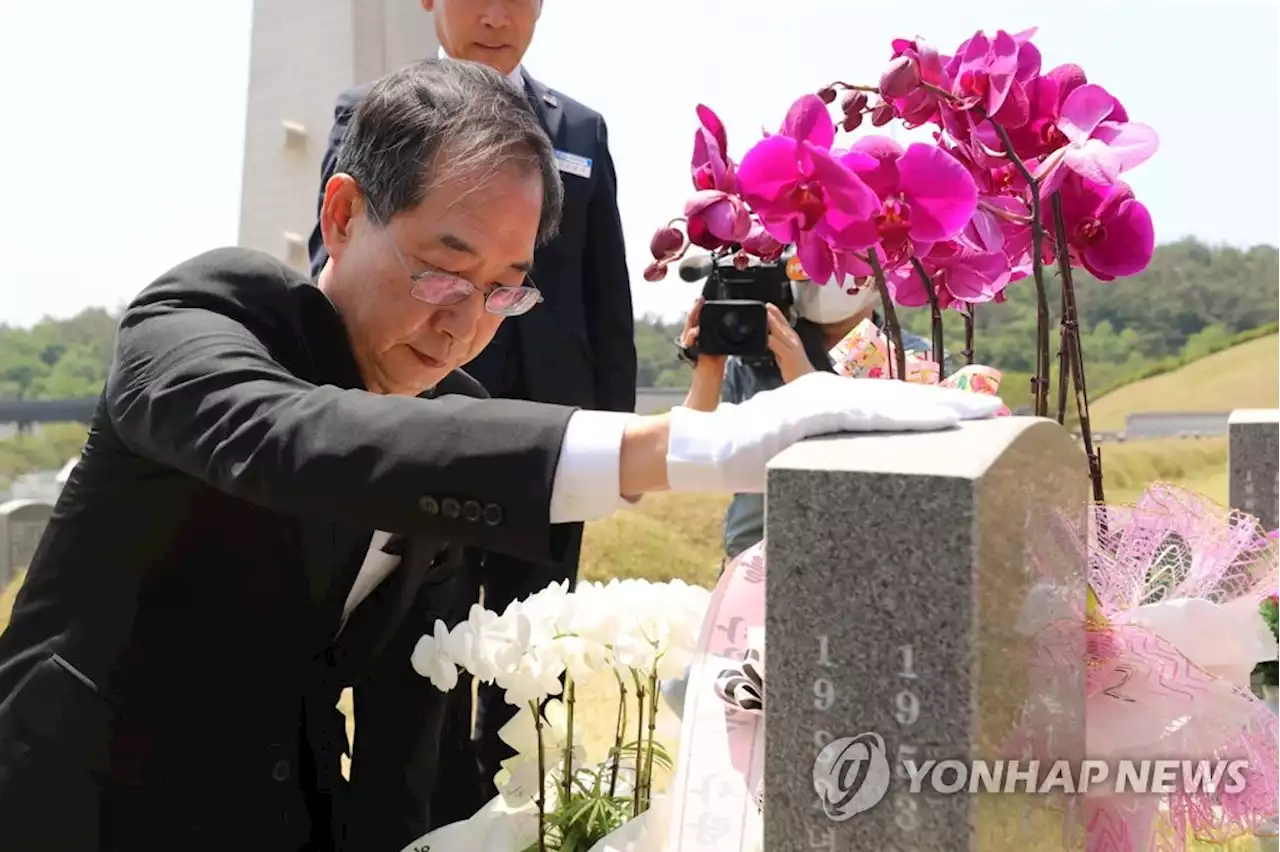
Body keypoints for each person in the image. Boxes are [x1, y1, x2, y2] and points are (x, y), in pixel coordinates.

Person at [0, 60, 998, 852]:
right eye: (444, 270)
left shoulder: (460, 421)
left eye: (504, 289)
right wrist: (686, 447)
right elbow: (295, 441)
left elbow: (413, 713)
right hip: (75, 809)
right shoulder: (209, 316)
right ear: (343, 215)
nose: (462, 325)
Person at [306, 0, 635, 802]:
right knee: (425, 645)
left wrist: (615, 436)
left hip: (551, 434)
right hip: (425, 426)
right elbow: (335, 267)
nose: (496, 15)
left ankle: (526, 802)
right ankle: (429, 811)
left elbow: (606, 294)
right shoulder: (376, 111)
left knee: (541, 638)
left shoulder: (580, 129)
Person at [678, 268, 936, 561]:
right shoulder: (757, 348)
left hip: (862, 556)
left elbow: (908, 470)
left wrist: (806, 381)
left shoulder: (912, 359)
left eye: (844, 257)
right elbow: (692, 451)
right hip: (755, 557)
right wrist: (709, 365)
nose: (827, 271)